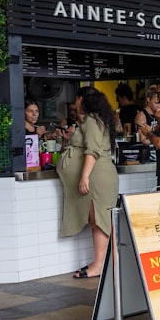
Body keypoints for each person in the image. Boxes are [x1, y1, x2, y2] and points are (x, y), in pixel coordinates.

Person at [57, 87, 120, 279]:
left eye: (75, 100)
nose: (74, 104)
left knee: (99, 221)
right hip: (97, 176)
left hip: (97, 178)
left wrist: (84, 176)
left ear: (81, 99)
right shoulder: (96, 119)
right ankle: (101, 263)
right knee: (97, 221)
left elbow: (92, 150)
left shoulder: (92, 120)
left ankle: (100, 265)